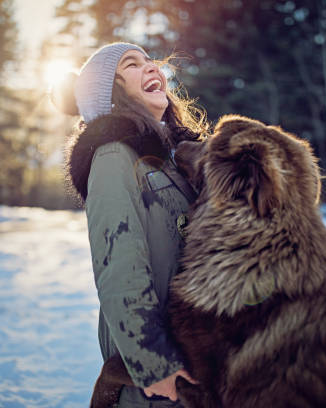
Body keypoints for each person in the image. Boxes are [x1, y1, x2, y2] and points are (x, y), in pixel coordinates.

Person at [50, 42, 207, 407]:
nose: (152, 67)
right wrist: (152, 364)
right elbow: (119, 267)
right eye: (132, 65)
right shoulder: (113, 156)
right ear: (110, 94)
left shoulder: (174, 160)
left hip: (194, 353)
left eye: (150, 60)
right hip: (156, 376)